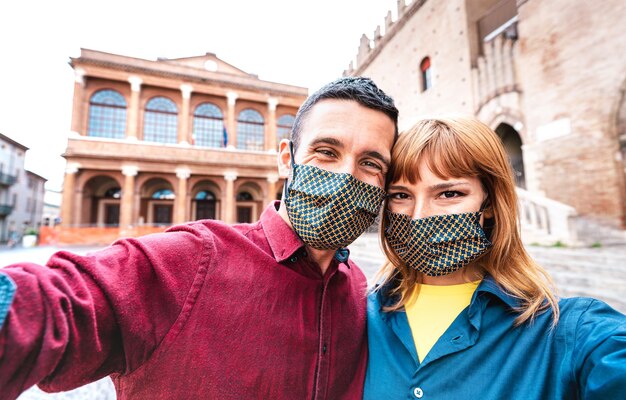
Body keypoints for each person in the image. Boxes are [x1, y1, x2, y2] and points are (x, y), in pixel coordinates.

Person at [0, 76, 399, 400]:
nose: (347, 175)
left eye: (370, 163)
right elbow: (62, 304)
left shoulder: (359, 293)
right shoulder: (190, 260)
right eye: (326, 152)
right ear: (285, 159)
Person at [364, 116, 626, 399]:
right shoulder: (358, 317)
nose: (419, 215)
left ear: (489, 202)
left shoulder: (566, 332)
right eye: (401, 195)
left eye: (449, 193)